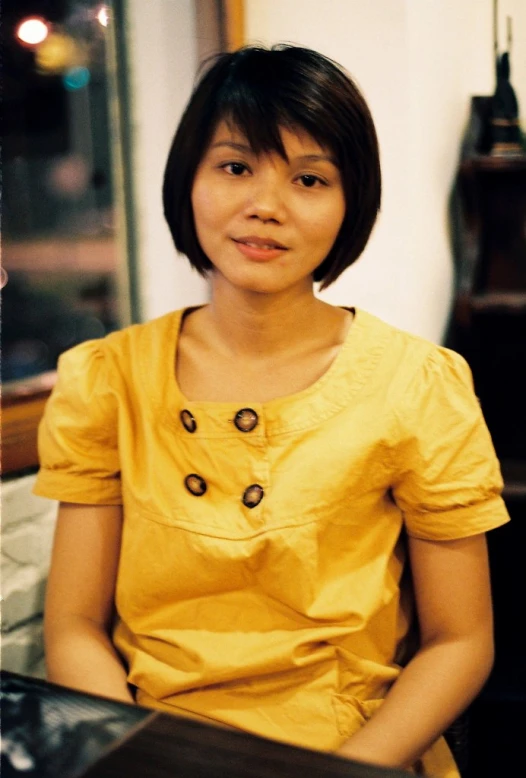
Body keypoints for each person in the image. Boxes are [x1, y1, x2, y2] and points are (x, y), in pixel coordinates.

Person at [35, 45, 510, 777]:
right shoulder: (108, 379)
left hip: (353, 755)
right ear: (187, 181)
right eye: (235, 166)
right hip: (153, 747)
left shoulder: (418, 385)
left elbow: (461, 640)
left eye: (310, 178)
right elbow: (74, 627)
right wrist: (141, 757)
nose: (267, 204)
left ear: (351, 203)